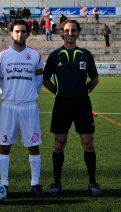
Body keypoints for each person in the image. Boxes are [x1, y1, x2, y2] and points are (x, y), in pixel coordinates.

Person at [43, 20, 101, 196]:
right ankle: (57, 183)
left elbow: (95, 79)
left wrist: (82, 92)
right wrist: (59, 93)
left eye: (73, 30)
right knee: (59, 144)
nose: (70, 33)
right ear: (62, 33)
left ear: (78, 33)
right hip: (62, 103)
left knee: (88, 143)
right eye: (66, 30)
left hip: (82, 103)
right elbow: (46, 79)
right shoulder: (55, 55)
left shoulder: (85, 54)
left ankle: (92, 182)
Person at [0, 20, 44, 197]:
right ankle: (4, 183)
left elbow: (39, 79)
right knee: (5, 144)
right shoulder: (3, 56)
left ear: (28, 34)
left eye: (23, 32)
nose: (20, 34)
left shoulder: (35, 55)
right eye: (17, 31)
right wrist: (5, 93)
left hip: (29, 106)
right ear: (11, 33)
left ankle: (35, 183)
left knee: (34, 145)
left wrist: (32, 94)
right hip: (9, 106)